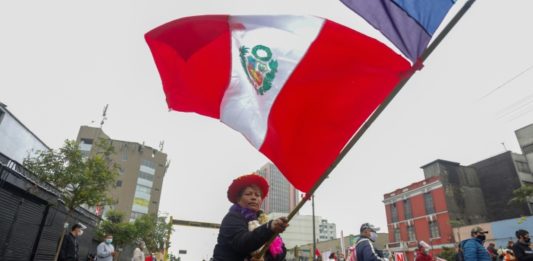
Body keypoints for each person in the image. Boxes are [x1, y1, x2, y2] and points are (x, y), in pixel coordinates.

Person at [212, 173, 289, 260]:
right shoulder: (232, 218)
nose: (254, 198)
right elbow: (242, 243)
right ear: (238, 199)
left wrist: (264, 259)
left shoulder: (264, 221)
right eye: (248, 194)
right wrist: (269, 227)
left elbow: (282, 251)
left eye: (257, 195)